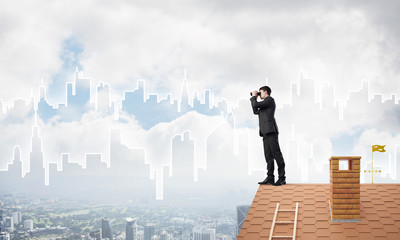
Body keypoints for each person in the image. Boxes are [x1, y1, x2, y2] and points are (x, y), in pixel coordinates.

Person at [250, 86, 286, 186]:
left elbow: (256, 104)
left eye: (260, 92)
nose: (259, 94)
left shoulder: (269, 100)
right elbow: (255, 110)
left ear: (266, 92)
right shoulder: (263, 105)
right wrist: (254, 98)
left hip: (271, 131)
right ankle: (270, 178)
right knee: (268, 156)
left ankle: (282, 178)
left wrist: (254, 97)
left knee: (276, 154)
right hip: (265, 132)